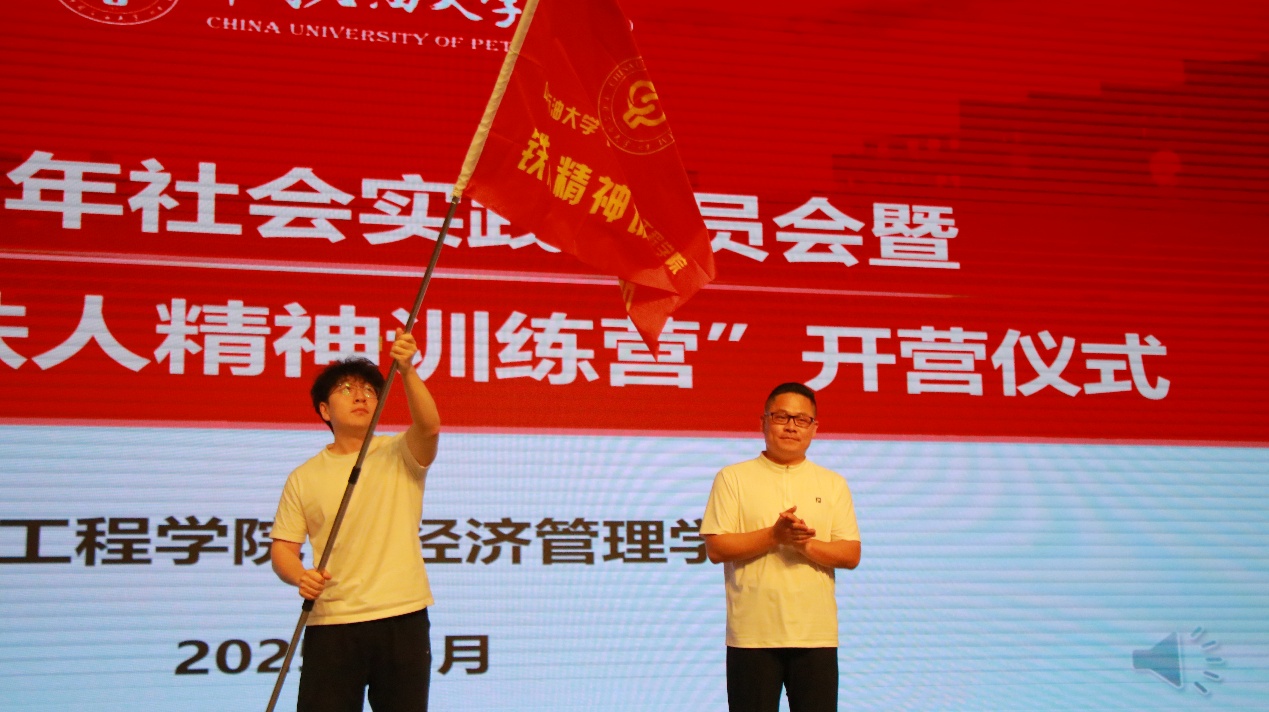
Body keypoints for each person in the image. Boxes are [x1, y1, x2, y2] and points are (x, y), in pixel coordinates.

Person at [270, 333, 440, 712]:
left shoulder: (400, 452)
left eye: (369, 391)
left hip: (402, 615)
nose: (360, 396)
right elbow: (283, 549)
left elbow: (429, 427)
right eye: (346, 390)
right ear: (324, 410)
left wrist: (407, 370)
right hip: (332, 621)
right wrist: (300, 576)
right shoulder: (304, 476)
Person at [701, 382, 861, 712]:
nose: (791, 426)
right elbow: (717, 547)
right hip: (752, 635)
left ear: (814, 428)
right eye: (781, 417)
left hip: (815, 635)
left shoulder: (832, 483)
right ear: (763, 422)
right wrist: (775, 536)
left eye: (802, 419)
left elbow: (850, 554)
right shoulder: (733, 478)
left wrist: (803, 545)